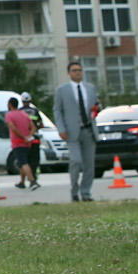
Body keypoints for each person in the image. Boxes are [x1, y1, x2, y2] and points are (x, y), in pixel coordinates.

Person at [53, 60, 99, 202]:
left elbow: (96, 106)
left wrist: (97, 108)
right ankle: (74, 189)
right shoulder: (62, 90)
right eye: (74, 70)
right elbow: (57, 110)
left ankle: (85, 192)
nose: (77, 72)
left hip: (88, 130)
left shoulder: (90, 88)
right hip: (72, 131)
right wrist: (60, 128)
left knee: (89, 164)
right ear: (69, 73)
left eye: (79, 70)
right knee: (76, 161)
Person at [6, 96, 39, 191]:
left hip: (17, 142)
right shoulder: (24, 114)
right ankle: (22, 182)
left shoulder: (9, 115)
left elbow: (13, 127)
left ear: (10, 105)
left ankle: (32, 181)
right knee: (22, 163)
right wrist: (28, 136)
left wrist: (23, 136)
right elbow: (33, 127)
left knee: (23, 162)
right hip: (27, 143)